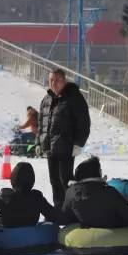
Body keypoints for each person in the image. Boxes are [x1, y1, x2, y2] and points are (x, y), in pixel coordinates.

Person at [36, 69, 91, 207]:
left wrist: (79, 143)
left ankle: (71, 208)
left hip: (66, 147)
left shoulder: (74, 97)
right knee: (54, 180)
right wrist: (39, 142)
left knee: (65, 180)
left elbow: (84, 122)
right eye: (51, 80)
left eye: (57, 80)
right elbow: (41, 123)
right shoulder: (46, 99)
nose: (54, 83)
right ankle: (58, 208)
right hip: (50, 147)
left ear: (64, 81)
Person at [62, 156, 128, 228]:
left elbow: (65, 216)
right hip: (115, 226)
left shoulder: (70, 192)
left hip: (88, 224)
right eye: (100, 171)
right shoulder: (108, 191)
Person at [0, 162, 60, 227]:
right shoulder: (37, 197)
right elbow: (54, 215)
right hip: (29, 237)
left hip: (5, 238)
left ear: (13, 179)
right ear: (32, 180)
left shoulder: (5, 195)